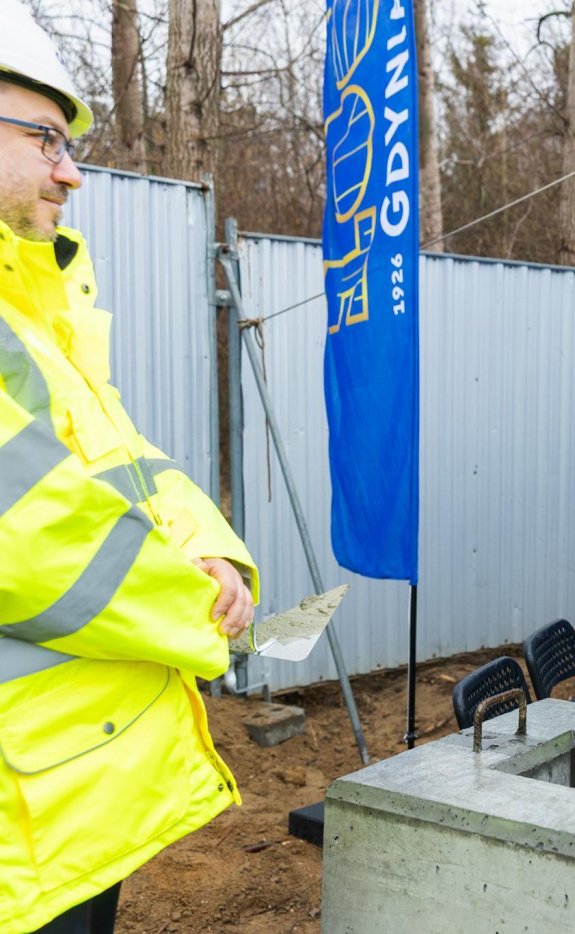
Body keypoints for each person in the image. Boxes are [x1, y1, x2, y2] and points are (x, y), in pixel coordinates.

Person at [0, 6, 258, 932]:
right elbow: (28, 535)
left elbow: (127, 461)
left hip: (63, 790)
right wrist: (198, 617)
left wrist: (214, 554)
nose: (70, 172)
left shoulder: (34, 307)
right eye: (46, 139)